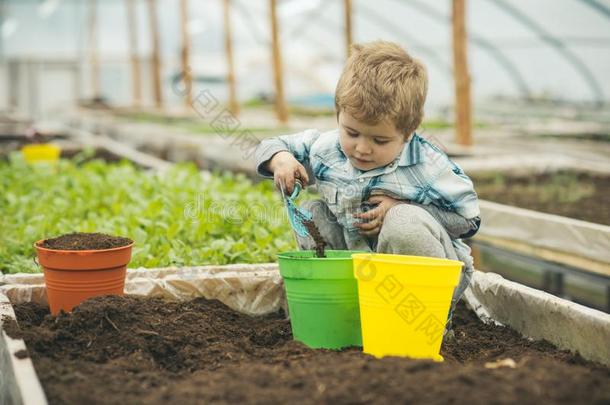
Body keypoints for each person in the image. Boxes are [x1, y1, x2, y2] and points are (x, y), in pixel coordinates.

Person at [254, 41, 481, 328]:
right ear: (339, 114)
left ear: (408, 132)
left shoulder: (428, 165)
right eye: (352, 132)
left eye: (380, 140)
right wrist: (282, 160)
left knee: (404, 221)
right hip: (359, 265)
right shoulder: (326, 148)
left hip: (425, 276)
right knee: (313, 213)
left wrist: (401, 206)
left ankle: (430, 323)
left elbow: (469, 219)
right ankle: (343, 314)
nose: (362, 148)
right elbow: (270, 145)